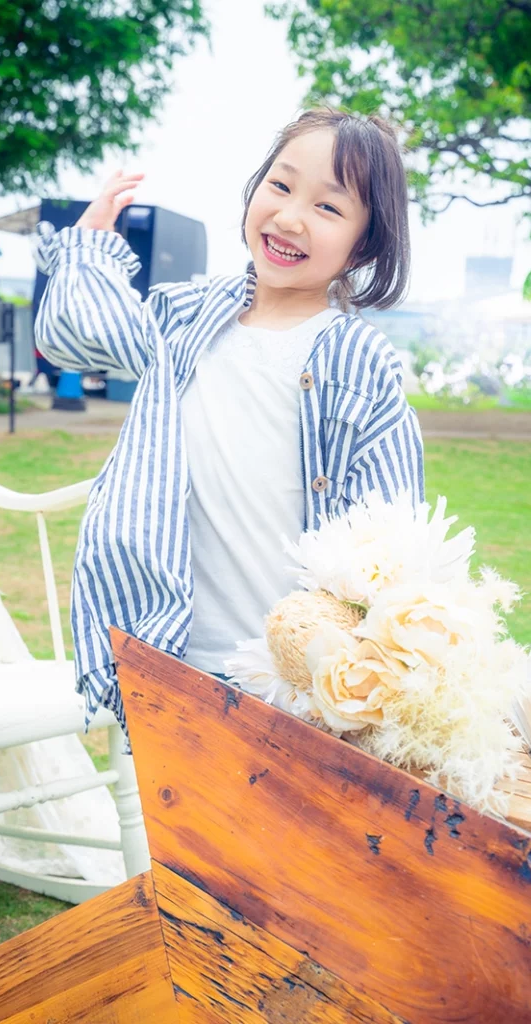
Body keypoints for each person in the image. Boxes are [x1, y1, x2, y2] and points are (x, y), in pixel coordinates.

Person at [33, 107, 425, 747]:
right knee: (177, 807)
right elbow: (76, 334)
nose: (290, 217)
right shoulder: (186, 318)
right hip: (174, 650)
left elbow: (392, 534)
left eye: (328, 207)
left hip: (293, 677)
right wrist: (89, 244)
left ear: (365, 245)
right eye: (281, 185)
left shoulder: (356, 359)